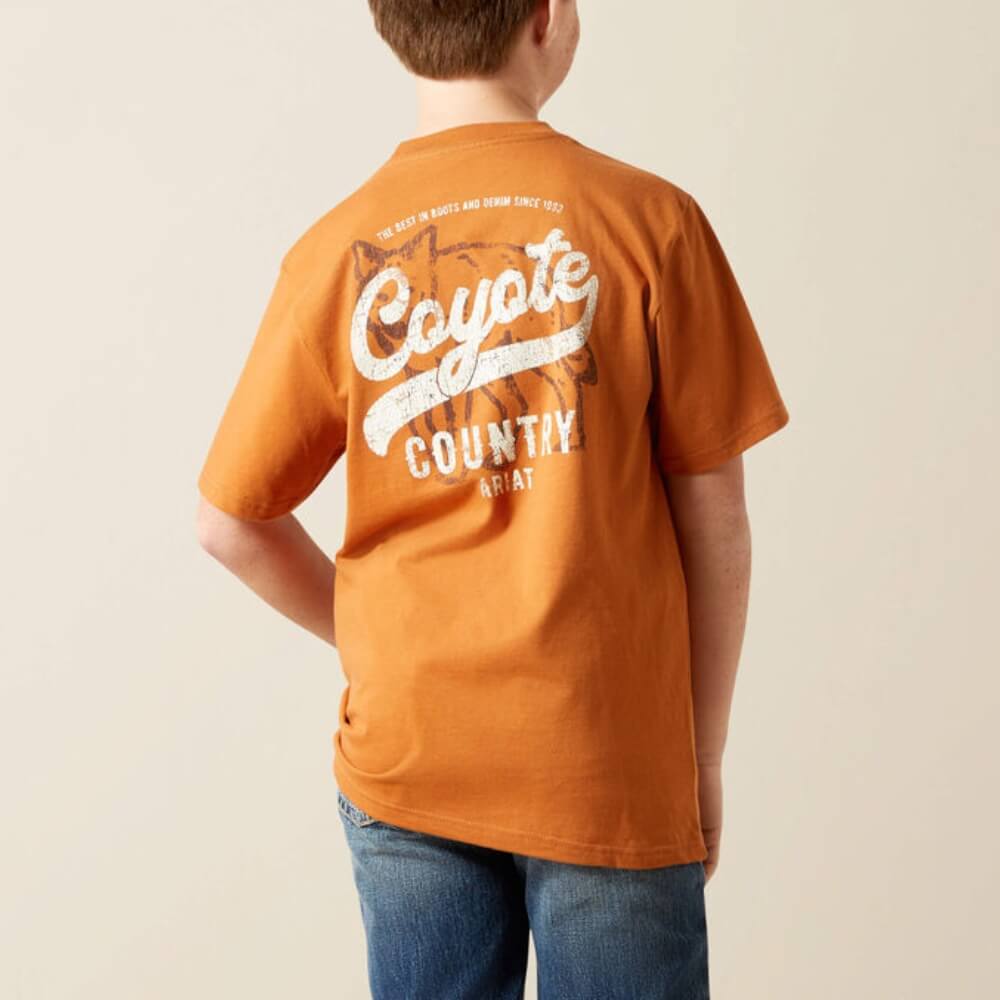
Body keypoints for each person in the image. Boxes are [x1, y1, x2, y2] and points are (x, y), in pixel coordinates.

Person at [195, 1, 790, 996]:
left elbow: (229, 522)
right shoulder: (650, 221)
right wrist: (703, 755)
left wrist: (375, 641)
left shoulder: (336, 250)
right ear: (548, 16)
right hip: (608, 758)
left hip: (410, 753)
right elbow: (715, 515)